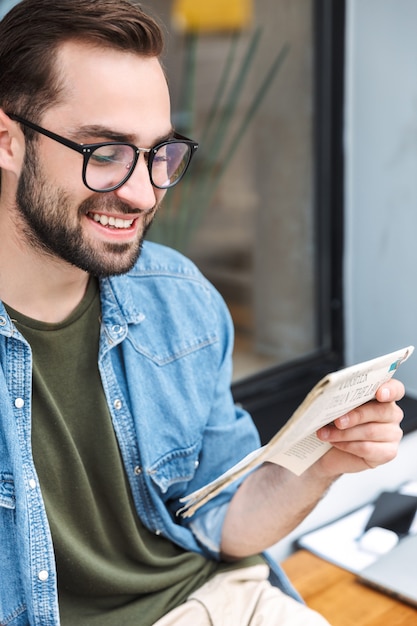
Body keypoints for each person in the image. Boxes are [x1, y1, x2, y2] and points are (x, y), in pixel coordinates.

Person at [0, 1, 405, 624]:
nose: (141, 193)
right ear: (7, 140)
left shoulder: (176, 295)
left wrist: (324, 463)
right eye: (103, 151)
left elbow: (224, 523)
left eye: (157, 153)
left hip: (219, 599)